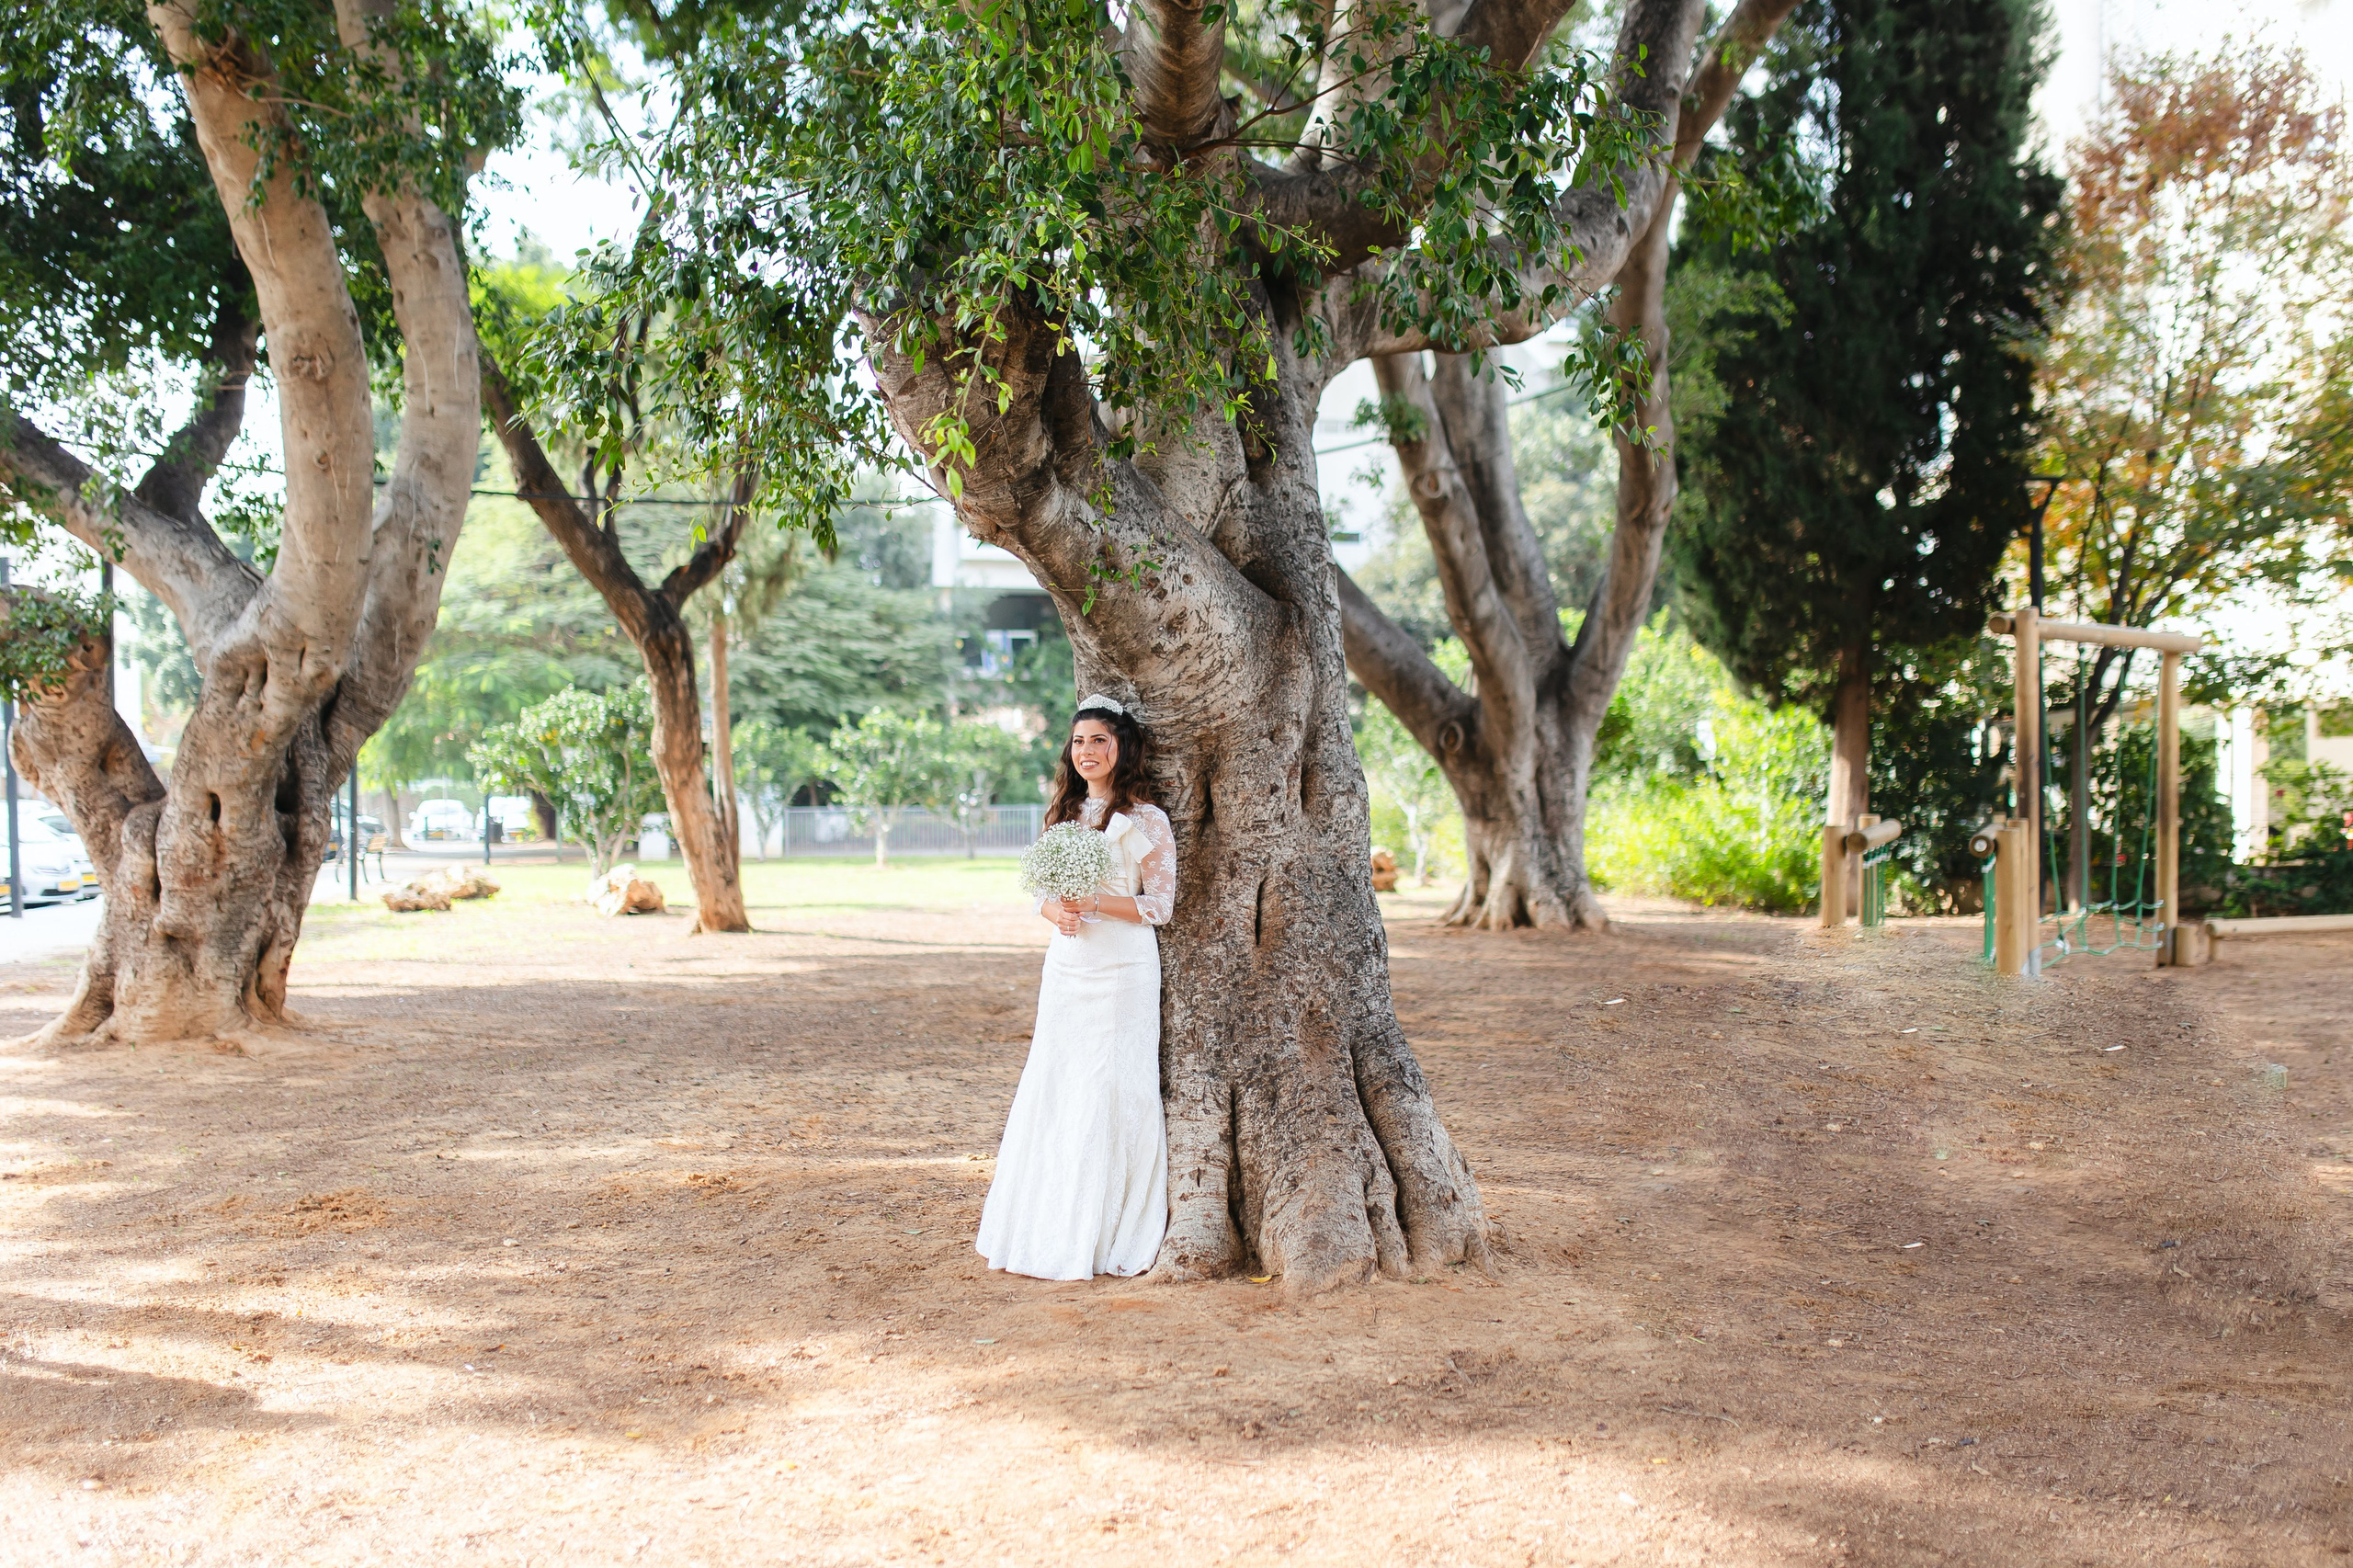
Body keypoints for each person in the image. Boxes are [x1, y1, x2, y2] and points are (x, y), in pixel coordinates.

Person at [975, 695, 1174, 1280]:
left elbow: (1160, 905)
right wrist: (1055, 913)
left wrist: (1096, 903)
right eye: (1079, 742)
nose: (1087, 752)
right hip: (1067, 967)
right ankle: (1049, 1221)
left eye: (1099, 741)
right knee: (1059, 1082)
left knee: (1113, 1084)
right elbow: (1042, 892)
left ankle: (1108, 1227)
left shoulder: (1144, 820)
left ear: (1122, 748)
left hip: (1123, 971)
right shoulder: (1063, 814)